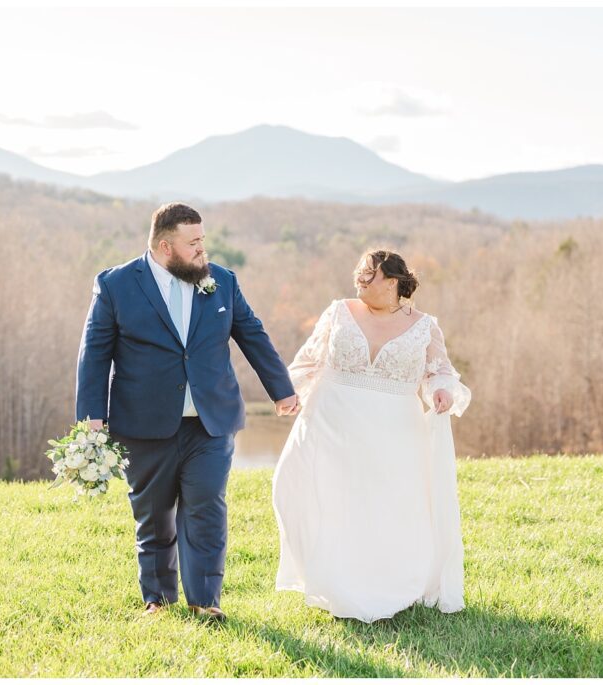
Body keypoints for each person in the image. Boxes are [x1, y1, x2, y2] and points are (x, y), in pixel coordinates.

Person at [76, 202, 299, 622]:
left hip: (210, 423)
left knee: (206, 508)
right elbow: (94, 354)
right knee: (155, 516)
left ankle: (206, 601)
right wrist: (92, 415)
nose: (202, 249)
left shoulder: (222, 282)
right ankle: (158, 600)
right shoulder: (116, 285)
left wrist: (281, 390)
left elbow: (251, 334)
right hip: (143, 424)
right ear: (165, 246)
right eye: (193, 242)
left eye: (203, 240)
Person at [272, 248, 471, 623]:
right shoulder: (338, 312)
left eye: (369, 274)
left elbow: (439, 373)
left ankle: (388, 584)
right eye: (358, 273)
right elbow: (309, 360)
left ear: (393, 282)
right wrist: (288, 392)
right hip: (331, 423)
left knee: (386, 507)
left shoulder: (425, 326)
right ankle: (335, 583)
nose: (359, 280)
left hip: (394, 433)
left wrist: (441, 392)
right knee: (320, 496)